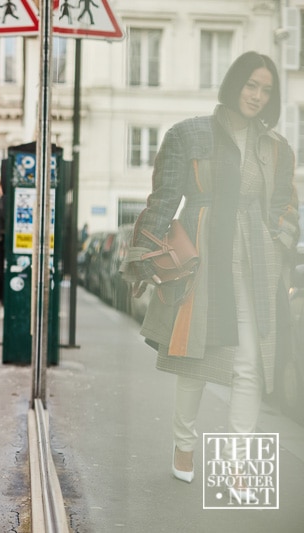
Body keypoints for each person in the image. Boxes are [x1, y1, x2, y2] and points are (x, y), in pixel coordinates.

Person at [122, 51, 299, 488]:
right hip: (203, 257)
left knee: (251, 363)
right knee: (195, 357)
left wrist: (282, 235)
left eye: (266, 89)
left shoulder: (277, 148)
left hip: (257, 262)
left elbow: (285, 206)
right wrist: (143, 258)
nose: (257, 96)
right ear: (234, 83)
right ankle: (184, 442)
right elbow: (163, 200)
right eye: (250, 85)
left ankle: (239, 464)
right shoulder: (188, 135)